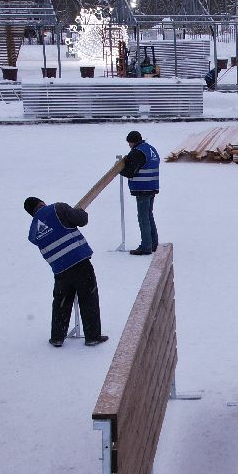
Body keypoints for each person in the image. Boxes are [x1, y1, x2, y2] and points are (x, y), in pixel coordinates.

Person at [23, 196, 108, 347]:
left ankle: (57, 337)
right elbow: (81, 220)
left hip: (60, 270)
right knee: (88, 297)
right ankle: (92, 336)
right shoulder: (58, 208)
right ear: (41, 203)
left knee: (61, 302)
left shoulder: (33, 231)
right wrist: (80, 211)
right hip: (79, 262)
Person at [118, 129, 160, 255]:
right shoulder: (150, 149)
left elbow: (131, 171)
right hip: (152, 186)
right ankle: (153, 243)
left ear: (133, 141)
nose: (129, 145)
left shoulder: (137, 152)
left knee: (143, 217)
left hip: (143, 188)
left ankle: (146, 246)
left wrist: (119, 169)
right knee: (148, 214)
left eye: (129, 143)